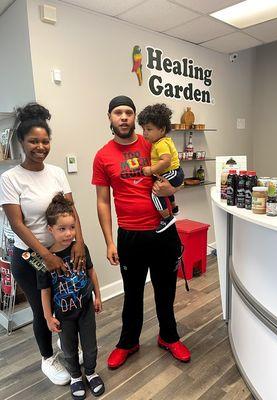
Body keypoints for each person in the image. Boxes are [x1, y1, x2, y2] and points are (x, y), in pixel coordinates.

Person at [92, 95, 191, 369]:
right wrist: (109, 241)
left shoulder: (153, 142)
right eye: (117, 113)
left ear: (135, 117)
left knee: (165, 290)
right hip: (129, 236)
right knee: (132, 292)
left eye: (128, 112)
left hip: (163, 232)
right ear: (110, 118)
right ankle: (128, 342)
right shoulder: (103, 156)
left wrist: (174, 189)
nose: (123, 117)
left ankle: (168, 337)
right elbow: (102, 201)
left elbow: (176, 174)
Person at [0, 103, 86, 385]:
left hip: (61, 253)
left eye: (45, 141)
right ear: (22, 142)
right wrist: (46, 256)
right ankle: (48, 358)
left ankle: (66, 343)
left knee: (64, 301)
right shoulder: (10, 179)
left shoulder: (57, 173)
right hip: (30, 257)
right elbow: (17, 224)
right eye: (33, 141)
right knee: (41, 308)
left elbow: (71, 211)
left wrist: (79, 243)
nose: (40, 146)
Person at [37, 193, 104, 399]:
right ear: (51, 229)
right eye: (62, 229)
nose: (69, 234)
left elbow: (91, 272)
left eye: (72, 227)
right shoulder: (46, 260)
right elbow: (45, 290)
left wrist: (97, 296)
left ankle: (91, 372)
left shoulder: (81, 249)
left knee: (90, 345)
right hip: (64, 315)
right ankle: (75, 376)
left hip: (85, 309)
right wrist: (48, 317)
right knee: (69, 348)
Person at [137, 103, 184, 233]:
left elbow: (166, 161)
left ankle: (167, 218)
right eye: (143, 129)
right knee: (165, 189)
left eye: (149, 129)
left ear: (162, 130)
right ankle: (174, 208)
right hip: (176, 172)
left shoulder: (161, 144)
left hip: (173, 172)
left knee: (156, 193)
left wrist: (151, 170)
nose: (145, 133)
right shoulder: (160, 142)